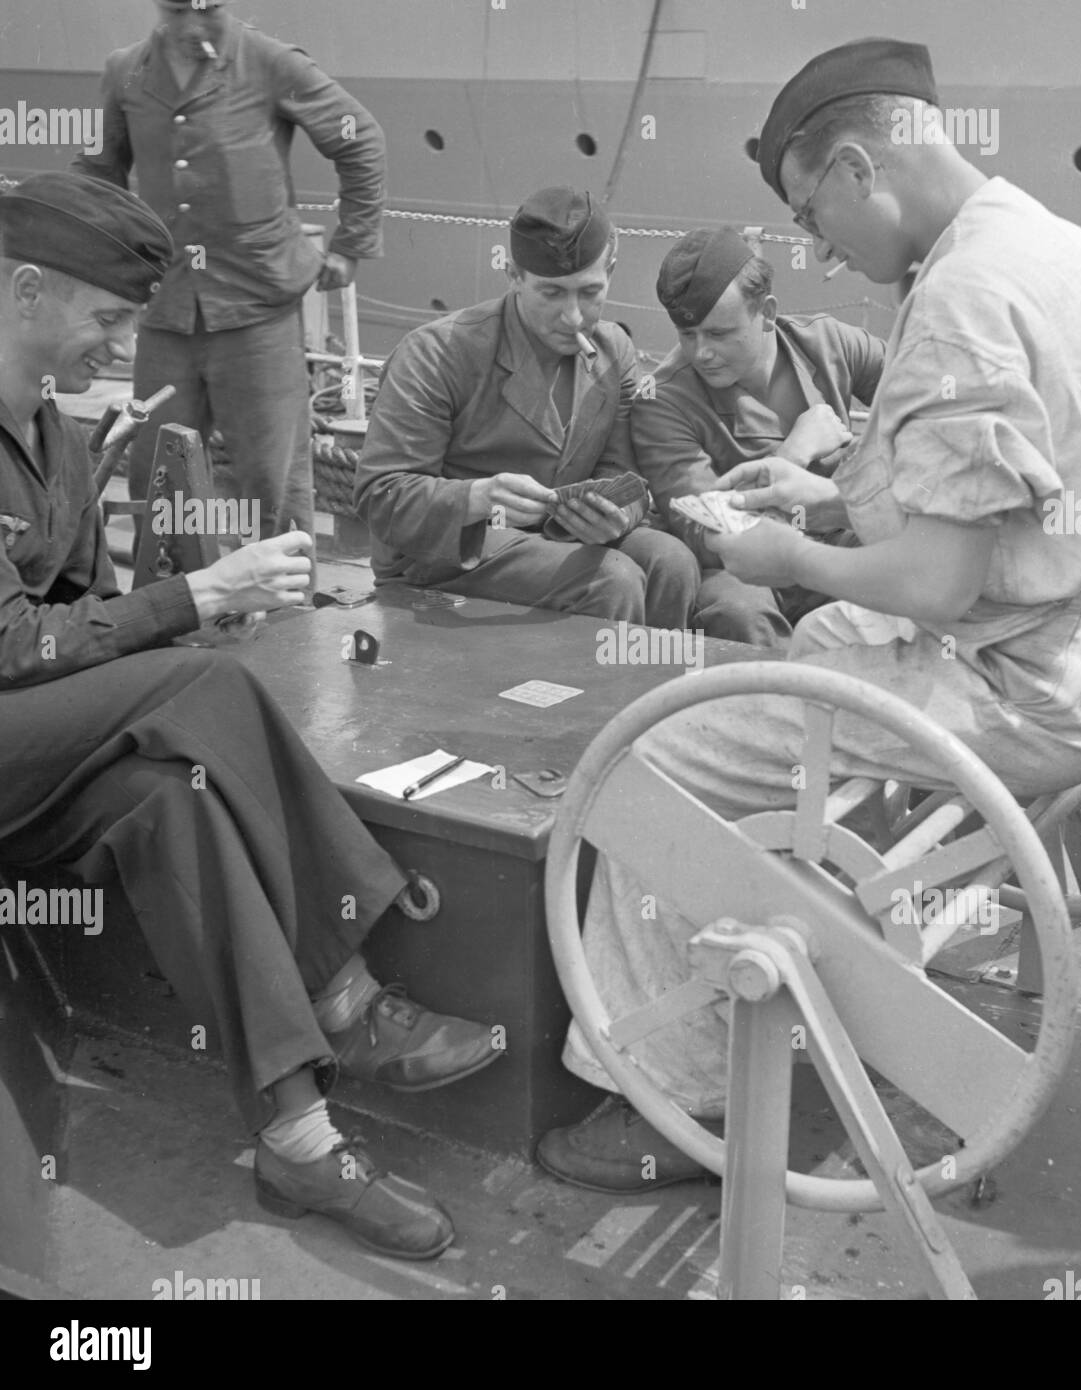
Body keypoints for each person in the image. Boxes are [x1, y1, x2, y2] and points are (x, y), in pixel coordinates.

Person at [536, 37, 1081, 1190]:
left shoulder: (959, 299)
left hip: (1019, 687)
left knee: (653, 757)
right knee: (821, 645)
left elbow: (936, 583)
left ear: (851, 166)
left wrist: (789, 550)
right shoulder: (1050, 244)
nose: (819, 250)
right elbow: (1031, 490)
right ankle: (830, 920)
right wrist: (830, 495)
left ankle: (659, 1098)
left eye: (812, 215)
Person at [0, 172, 494, 1260]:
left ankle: (298, 1135)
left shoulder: (55, 436)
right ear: (28, 289)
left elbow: (75, 616)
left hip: (31, 764)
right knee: (208, 691)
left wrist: (172, 627)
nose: (123, 348)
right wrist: (197, 599)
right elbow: (11, 645)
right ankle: (348, 990)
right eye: (109, 318)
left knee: (168, 797)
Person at [72, 0, 386, 556]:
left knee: (274, 484)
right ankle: (167, 604)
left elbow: (359, 137)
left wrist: (351, 245)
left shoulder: (271, 63)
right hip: (168, 309)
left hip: (259, 308)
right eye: (179, 10)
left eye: (207, 9)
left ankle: (287, 620)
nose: (194, 24)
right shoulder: (126, 71)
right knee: (155, 475)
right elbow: (99, 173)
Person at [353, 187, 698, 630]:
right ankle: (599, 700)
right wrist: (476, 497)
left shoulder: (615, 352)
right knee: (610, 580)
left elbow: (620, 473)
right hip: (443, 556)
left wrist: (615, 517)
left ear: (611, 271)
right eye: (551, 294)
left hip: (552, 541)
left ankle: (656, 696)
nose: (573, 316)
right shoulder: (436, 353)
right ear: (513, 275)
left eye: (589, 292)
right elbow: (379, 496)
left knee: (672, 563)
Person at [633, 226, 885, 646]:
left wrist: (871, 453)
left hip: (834, 547)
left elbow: (927, 412)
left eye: (718, 333)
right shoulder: (663, 401)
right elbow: (706, 534)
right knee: (739, 613)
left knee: (913, 563)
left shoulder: (832, 344)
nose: (701, 353)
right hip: (742, 571)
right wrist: (793, 454)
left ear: (767, 312)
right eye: (686, 335)